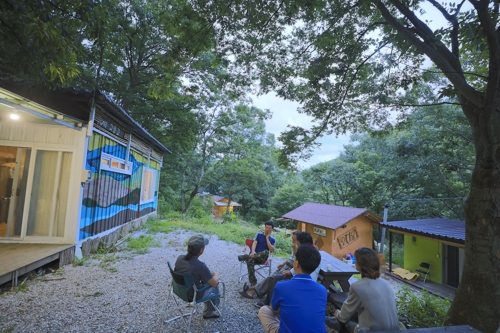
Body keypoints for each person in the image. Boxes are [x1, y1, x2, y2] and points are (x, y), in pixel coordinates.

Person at [325, 247, 400, 333]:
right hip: (394, 330)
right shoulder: (385, 284)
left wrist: (337, 314)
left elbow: (343, 317)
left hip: (371, 331)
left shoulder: (357, 286)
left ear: (360, 265)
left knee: (342, 322)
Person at [257, 244, 327, 333]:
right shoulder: (322, 290)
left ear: (297, 263)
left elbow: (274, 309)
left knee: (264, 310)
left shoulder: (281, 286)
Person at [240, 231, 320, 308]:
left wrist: (291, 273)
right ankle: (256, 292)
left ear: (301, 243)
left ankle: (263, 299)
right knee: (275, 277)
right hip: (296, 275)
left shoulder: (309, 254)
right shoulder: (304, 251)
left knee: (276, 279)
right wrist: (288, 269)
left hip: (300, 281)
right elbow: (294, 263)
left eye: (295, 242)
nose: (293, 244)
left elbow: (305, 273)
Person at [174, 234, 221, 319]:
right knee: (215, 286)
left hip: (179, 290)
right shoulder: (200, 266)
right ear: (201, 250)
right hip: (193, 295)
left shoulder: (179, 258)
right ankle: (209, 312)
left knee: (206, 275)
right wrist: (215, 274)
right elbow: (214, 283)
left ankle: (209, 310)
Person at [238, 221, 276, 286]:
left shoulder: (273, 239)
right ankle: (253, 282)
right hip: (253, 255)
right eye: (266, 227)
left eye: (269, 228)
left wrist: (267, 238)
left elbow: (271, 250)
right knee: (250, 261)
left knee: (266, 252)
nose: (267, 229)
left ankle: (246, 257)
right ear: (264, 227)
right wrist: (253, 251)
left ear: (272, 229)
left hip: (262, 258)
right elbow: (254, 243)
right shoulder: (258, 234)